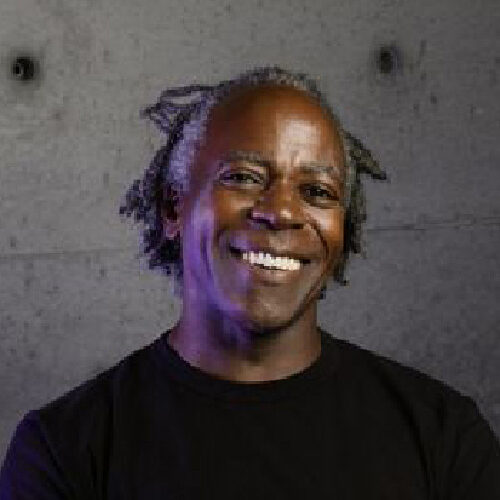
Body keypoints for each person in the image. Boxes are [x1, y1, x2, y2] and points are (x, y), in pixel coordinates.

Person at [1, 65, 499, 499]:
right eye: (242, 177)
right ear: (173, 207)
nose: (282, 211)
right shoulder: (64, 451)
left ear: (342, 232)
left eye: (317, 191)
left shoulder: (442, 436)